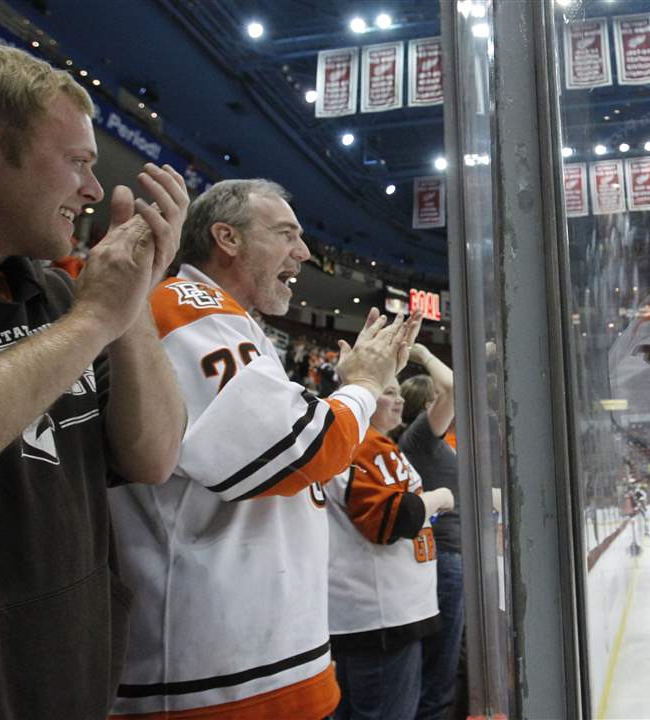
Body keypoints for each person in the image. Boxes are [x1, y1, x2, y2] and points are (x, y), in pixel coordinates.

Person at [0, 35, 188, 717]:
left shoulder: (57, 299)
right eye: (77, 162)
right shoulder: (74, 317)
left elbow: (154, 457)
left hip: (72, 682)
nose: (92, 189)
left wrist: (131, 301)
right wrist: (92, 322)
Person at [107, 179, 421, 719]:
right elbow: (308, 449)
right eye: (286, 234)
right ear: (225, 237)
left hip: (256, 662)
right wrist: (364, 386)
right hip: (214, 680)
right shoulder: (187, 304)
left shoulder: (233, 322)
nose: (303, 252)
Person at [325, 376, 455, 720]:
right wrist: (439, 498)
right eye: (389, 392)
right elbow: (389, 518)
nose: (399, 401)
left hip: (379, 613)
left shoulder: (373, 442)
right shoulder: (361, 443)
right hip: (381, 617)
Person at [396, 345, 463, 720]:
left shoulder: (428, 444)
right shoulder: (418, 437)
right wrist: (421, 353)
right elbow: (454, 386)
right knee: (439, 672)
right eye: (436, 400)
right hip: (443, 560)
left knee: (443, 667)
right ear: (426, 406)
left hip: (448, 559)